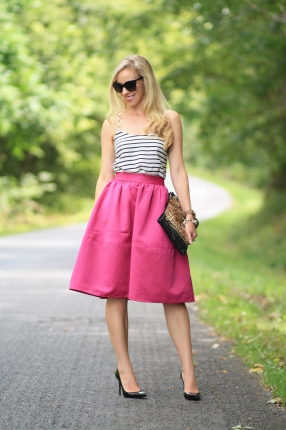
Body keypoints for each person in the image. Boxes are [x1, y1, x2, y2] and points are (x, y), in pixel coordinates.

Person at [69, 55, 200, 400]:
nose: (125, 91)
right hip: (116, 207)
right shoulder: (112, 122)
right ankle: (124, 370)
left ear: (146, 81)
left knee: (172, 290)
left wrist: (188, 215)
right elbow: (105, 174)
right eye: (118, 85)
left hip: (156, 207)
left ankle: (189, 371)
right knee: (116, 289)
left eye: (131, 84)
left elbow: (179, 171)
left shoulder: (169, 119)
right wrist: (97, 219)